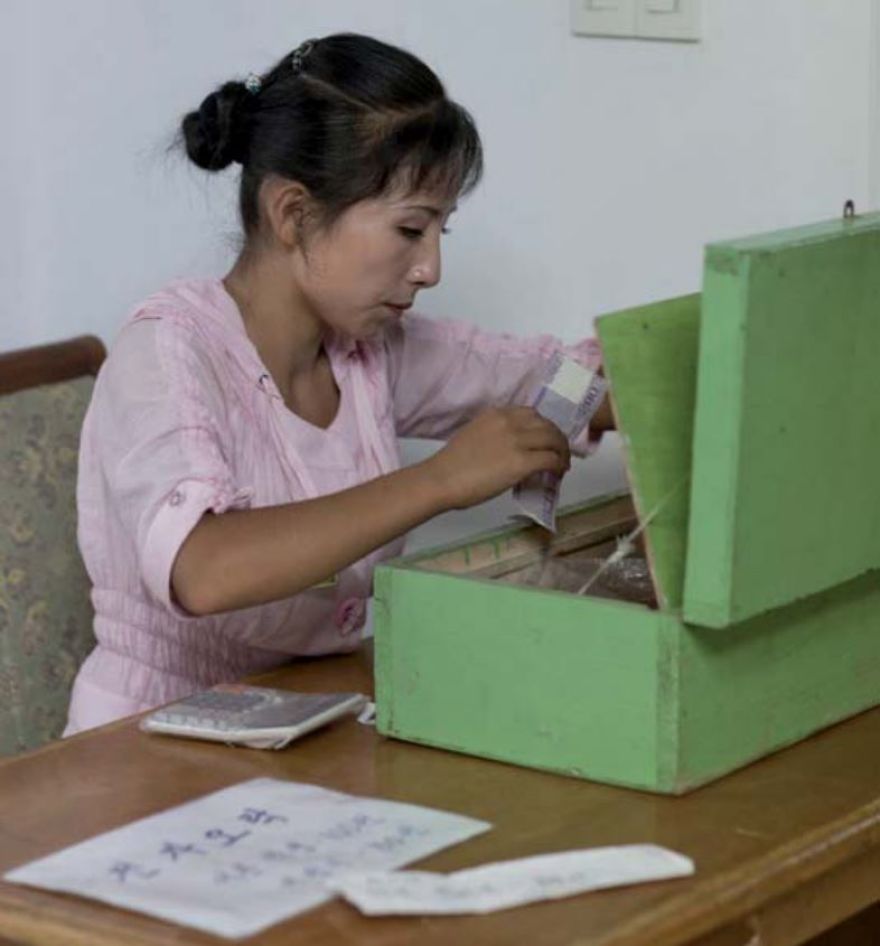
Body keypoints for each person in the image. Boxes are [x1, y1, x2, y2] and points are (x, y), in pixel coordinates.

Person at [64, 32, 613, 734]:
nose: (431, 268)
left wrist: (639, 387)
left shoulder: (366, 350)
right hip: (146, 743)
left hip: (304, 725)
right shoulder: (166, 354)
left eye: (442, 230)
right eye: (411, 229)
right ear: (292, 214)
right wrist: (439, 482)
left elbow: (560, 374)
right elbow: (203, 569)